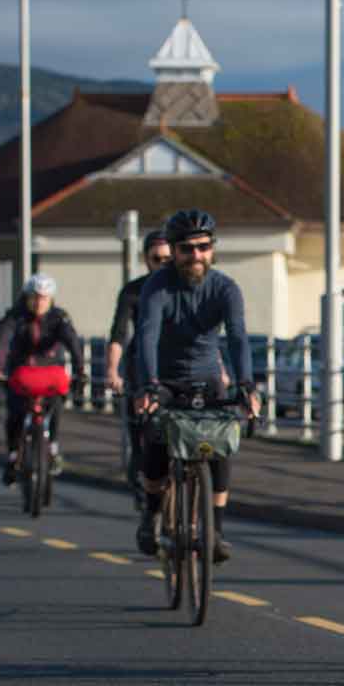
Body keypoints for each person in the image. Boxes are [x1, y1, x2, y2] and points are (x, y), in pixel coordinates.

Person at [133, 209, 260, 561]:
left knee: (220, 444)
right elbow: (147, 336)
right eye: (187, 249)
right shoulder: (157, 286)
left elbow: (238, 338)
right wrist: (148, 385)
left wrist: (247, 386)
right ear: (173, 251)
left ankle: (215, 529)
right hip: (165, 379)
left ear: (212, 248)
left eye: (203, 247)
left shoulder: (226, 289)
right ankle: (152, 513)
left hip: (207, 377)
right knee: (155, 441)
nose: (196, 256)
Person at [0, 273, 88, 485]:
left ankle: (53, 446)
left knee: (56, 406)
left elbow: (72, 341)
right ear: (27, 297)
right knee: (14, 412)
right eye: (35, 297)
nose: (39, 303)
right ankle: (13, 454)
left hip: (50, 374)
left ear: (51, 299)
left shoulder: (59, 318)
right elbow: (2, 341)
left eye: (44, 298)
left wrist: (80, 370)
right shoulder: (15, 317)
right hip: (21, 373)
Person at [106, 231, 173, 507]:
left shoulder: (182, 287)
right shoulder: (133, 291)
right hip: (141, 368)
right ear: (146, 259)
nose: (163, 264)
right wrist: (113, 371)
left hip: (176, 366)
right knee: (142, 435)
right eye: (157, 259)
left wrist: (220, 368)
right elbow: (119, 334)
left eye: (169, 258)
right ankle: (146, 501)